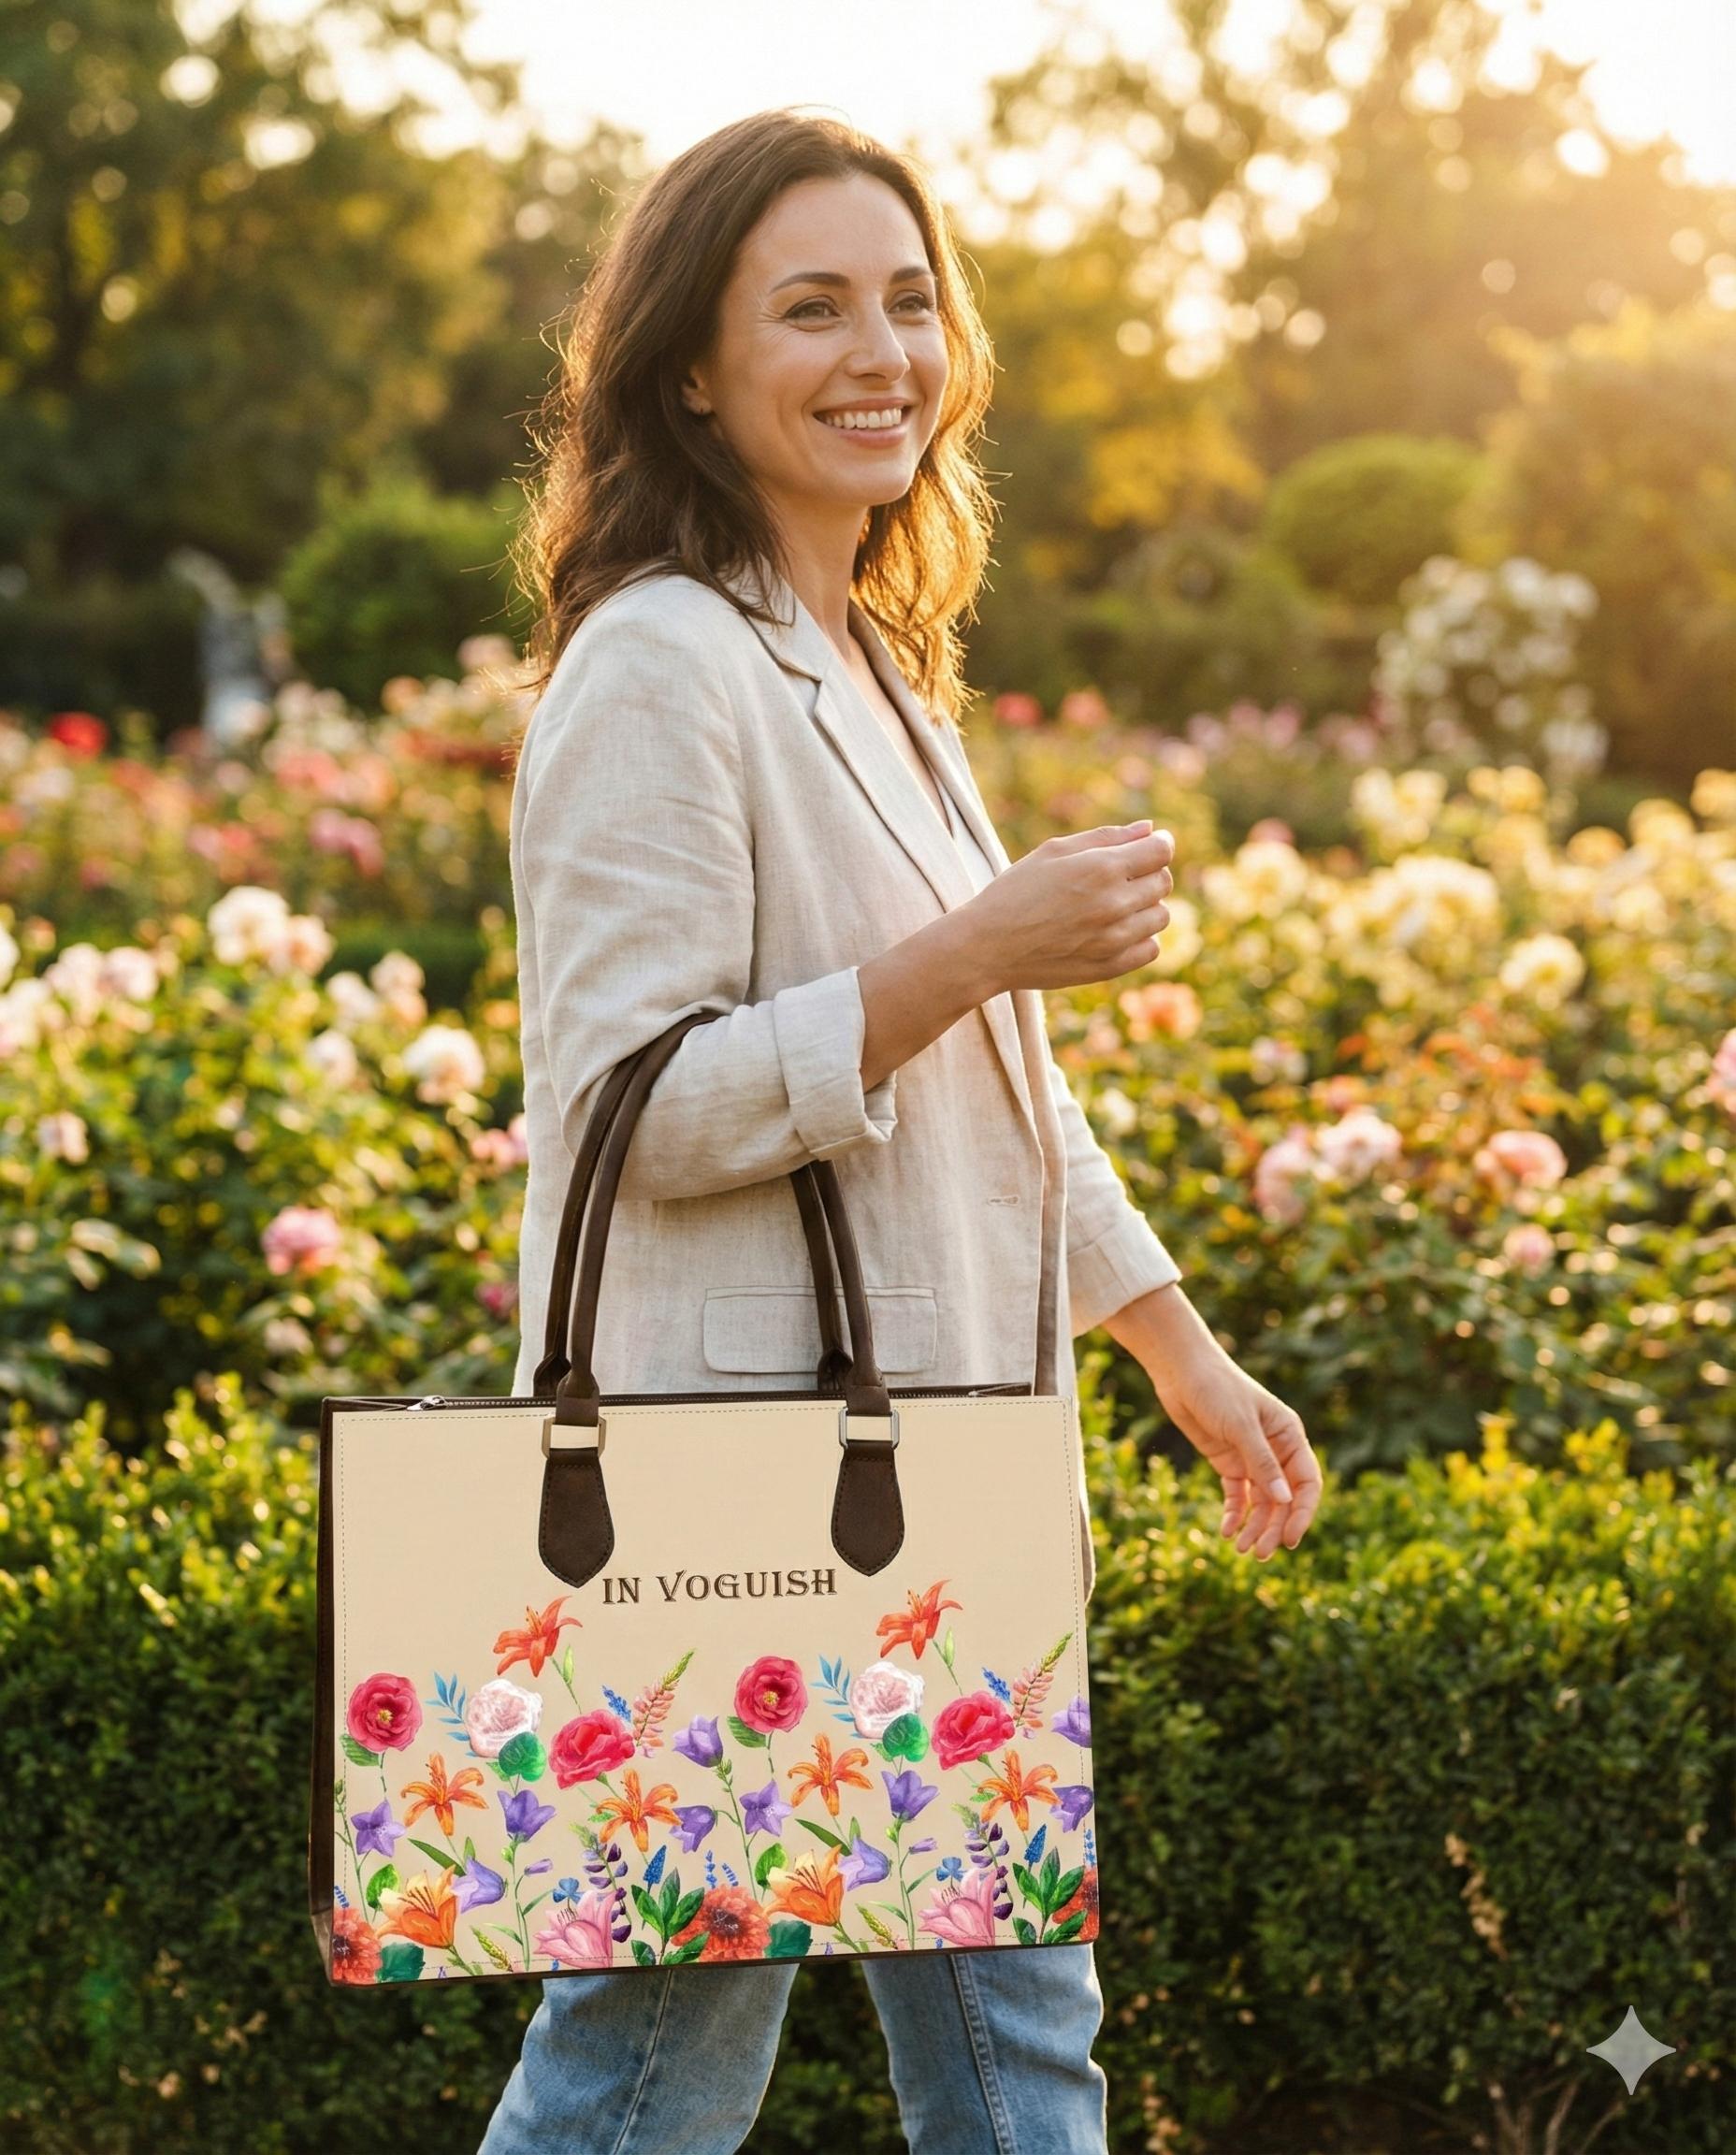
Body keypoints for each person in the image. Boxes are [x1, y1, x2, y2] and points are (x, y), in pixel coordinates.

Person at [486, 108, 1321, 2155]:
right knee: (652, 2066)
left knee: (1025, 2058)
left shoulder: (875, 667)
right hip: (740, 1500)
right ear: (693, 369)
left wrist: (1178, 1351)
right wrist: (975, 947)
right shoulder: (657, 664)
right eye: (812, 309)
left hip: (941, 1485)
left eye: (910, 301)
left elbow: (992, 1085)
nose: (883, 354)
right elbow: (630, 1107)